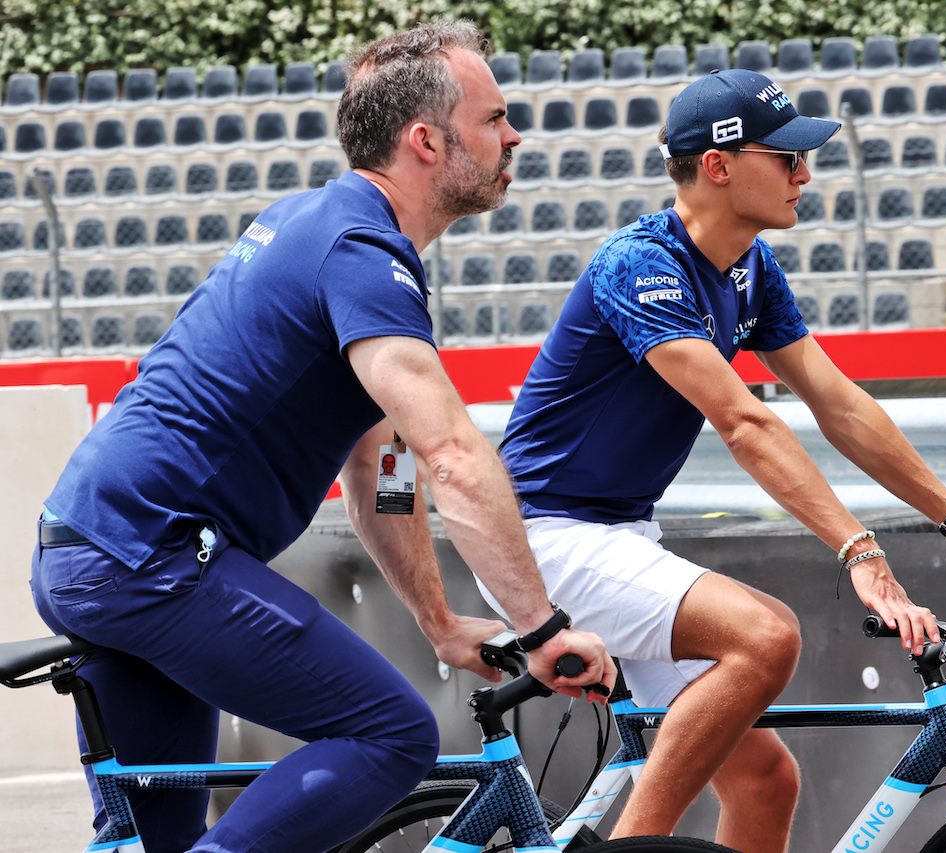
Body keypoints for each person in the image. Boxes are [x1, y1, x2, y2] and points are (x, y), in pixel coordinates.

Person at [29, 20, 613, 853]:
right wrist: (543, 626)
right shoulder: (360, 249)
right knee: (391, 735)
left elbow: (387, 461)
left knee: (158, 836)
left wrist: (443, 620)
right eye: (493, 118)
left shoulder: (323, 225)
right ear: (425, 140)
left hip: (100, 549)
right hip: (153, 558)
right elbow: (449, 451)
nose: (514, 134)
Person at [485, 68, 946, 853]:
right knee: (766, 637)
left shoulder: (751, 269)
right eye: (785, 157)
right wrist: (859, 547)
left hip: (615, 535)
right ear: (719, 166)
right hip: (540, 535)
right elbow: (745, 422)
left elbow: (842, 405)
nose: (805, 173)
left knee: (766, 781)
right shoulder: (641, 264)